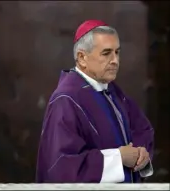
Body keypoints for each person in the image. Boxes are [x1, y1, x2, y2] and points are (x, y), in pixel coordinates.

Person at [36, 20, 154, 183]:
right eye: (106, 53)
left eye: (117, 52)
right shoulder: (66, 100)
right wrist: (118, 158)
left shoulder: (113, 91)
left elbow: (141, 129)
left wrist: (141, 153)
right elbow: (62, 166)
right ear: (82, 57)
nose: (115, 60)